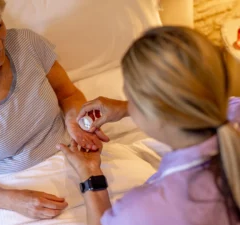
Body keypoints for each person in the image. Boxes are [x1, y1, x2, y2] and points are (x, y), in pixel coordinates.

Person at [0, 0, 108, 219]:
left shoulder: (26, 43)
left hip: (80, 160)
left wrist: (76, 123)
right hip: (17, 187)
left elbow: (68, 94)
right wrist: (15, 200)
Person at [57, 26, 240, 225]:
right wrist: (128, 107)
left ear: (152, 112)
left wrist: (90, 174)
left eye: (130, 97)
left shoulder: (145, 211)